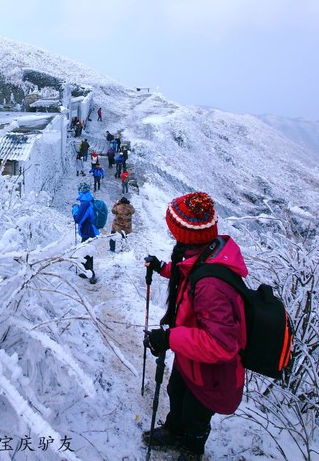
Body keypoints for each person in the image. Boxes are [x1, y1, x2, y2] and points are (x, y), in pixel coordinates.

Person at [141, 192, 248, 459]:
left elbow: (220, 345)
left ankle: (192, 449)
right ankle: (174, 431)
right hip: (191, 356)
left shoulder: (212, 285)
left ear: (186, 234)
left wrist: (169, 338)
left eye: (173, 227)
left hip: (210, 370)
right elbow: (188, 273)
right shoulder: (206, 251)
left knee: (196, 412)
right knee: (176, 391)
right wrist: (163, 268)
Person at [72, 184, 99, 284]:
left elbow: (77, 219)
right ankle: (88, 273)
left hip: (88, 232)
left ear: (80, 191)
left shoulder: (85, 204)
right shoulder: (89, 201)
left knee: (85, 253)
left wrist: (75, 209)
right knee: (88, 254)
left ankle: (92, 275)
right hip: (91, 231)